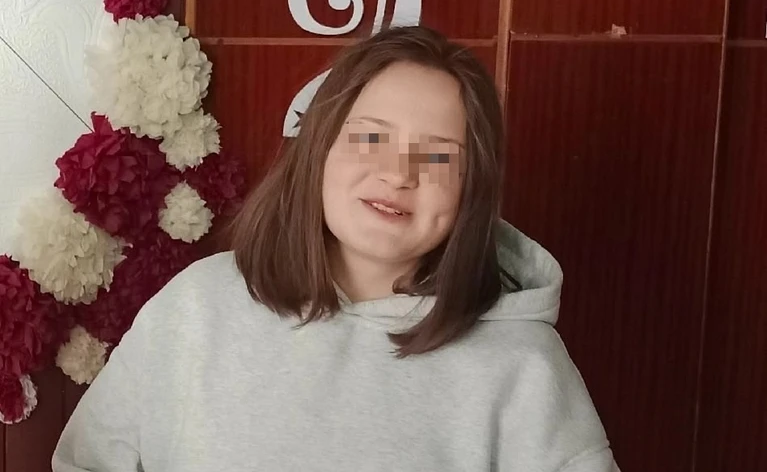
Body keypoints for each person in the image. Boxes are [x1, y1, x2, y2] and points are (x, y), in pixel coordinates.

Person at [53, 25, 619, 472]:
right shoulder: (196, 308)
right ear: (319, 147)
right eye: (371, 137)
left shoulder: (522, 364)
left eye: (438, 155)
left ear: (473, 187)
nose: (399, 173)